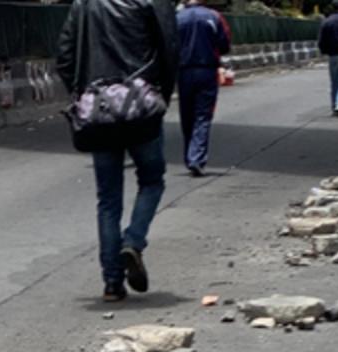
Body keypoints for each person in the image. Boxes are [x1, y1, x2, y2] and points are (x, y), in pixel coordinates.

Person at [57, 0, 177, 302]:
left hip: (98, 109)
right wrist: (161, 94)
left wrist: (83, 94)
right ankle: (133, 241)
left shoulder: (83, 4)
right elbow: (169, 49)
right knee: (152, 180)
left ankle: (112, 283)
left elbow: (64, 56)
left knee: (108, 200)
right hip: (142, 106)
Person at [176, 0, 231, 175]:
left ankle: (190, 156)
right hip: (206, 70)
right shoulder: (214, 17)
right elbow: (224, 44)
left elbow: (167, 44)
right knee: (203, 115)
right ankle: (196, 158)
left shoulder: (176, 18)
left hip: (183, 71)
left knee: (187, 115)